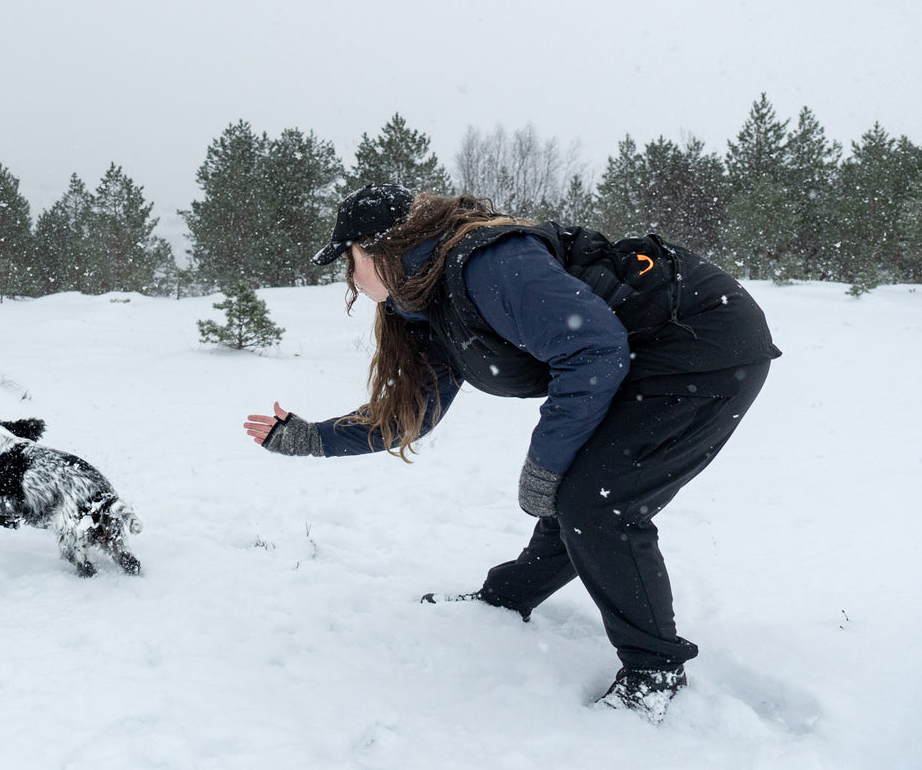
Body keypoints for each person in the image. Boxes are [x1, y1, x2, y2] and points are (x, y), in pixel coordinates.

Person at [244, 184, 780, 723]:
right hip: (641, 353)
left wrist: (544, 463)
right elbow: (414, 411)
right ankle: (507, 599)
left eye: (347, 260)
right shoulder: (426, 302)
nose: (350, 279)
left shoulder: (487, 263)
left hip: (704, 344)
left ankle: (655, 670)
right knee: (580, 494)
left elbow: (593, 349)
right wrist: (312, 437)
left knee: (597, 504)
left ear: (375, 248)